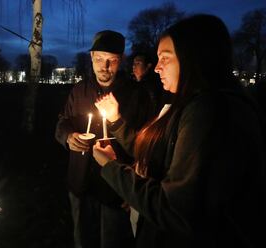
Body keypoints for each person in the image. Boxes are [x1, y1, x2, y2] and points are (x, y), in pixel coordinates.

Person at [93, 14, 266, 248]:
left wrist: (112, 168)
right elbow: (155, 153)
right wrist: (117, 125)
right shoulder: (185, 104)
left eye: (165, 57)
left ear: (194, 57)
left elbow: (177, 210)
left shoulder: (210, 112)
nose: (157, 68)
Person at [55, 30, 153, 248]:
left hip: (116, 189)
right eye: (99, 59)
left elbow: (145, 146)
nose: (104, 67)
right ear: (91, 58)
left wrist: (133, 188)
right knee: (83, 239)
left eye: (112, 61)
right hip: (80, 183)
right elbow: (63, 122)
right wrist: (69, 137)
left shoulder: (136, 95)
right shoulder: (79, 90)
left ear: (121, 61)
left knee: (114, 241)